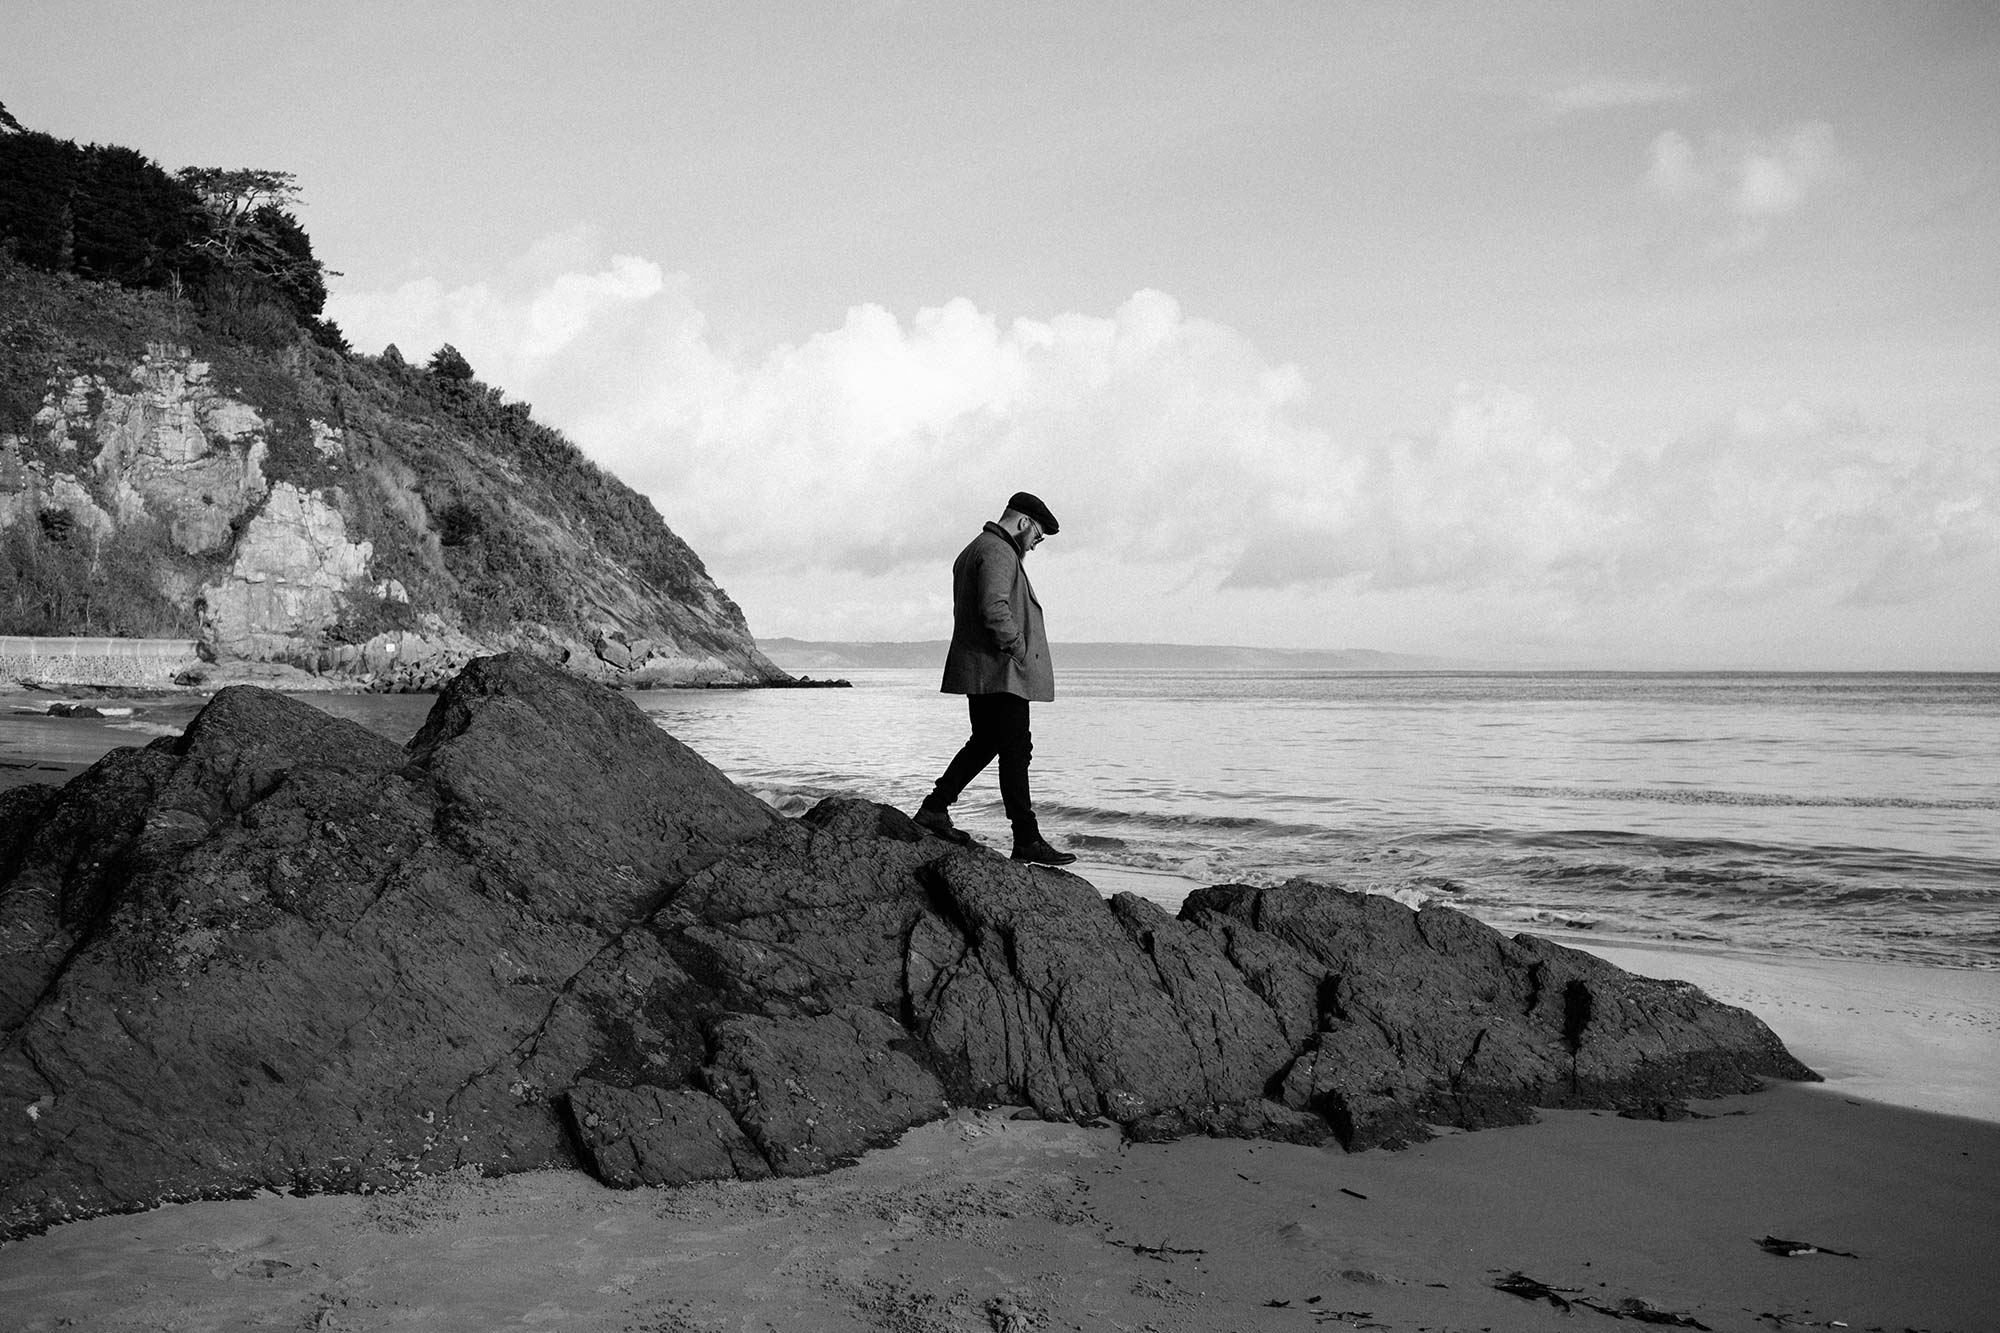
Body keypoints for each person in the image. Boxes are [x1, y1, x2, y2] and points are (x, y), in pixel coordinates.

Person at [912, 492, 1076, 865]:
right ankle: (1026, 838)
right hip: (1000, 672)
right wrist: (1018, 649)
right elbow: (994, 607)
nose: (1036, 544)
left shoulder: (977, 548)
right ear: (1022, 523)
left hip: (985, 671)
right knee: (1015, 751)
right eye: (1037, 534)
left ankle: (935, 808)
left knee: (986, 742)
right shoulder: (999, 551)